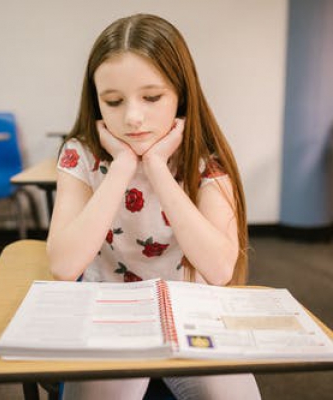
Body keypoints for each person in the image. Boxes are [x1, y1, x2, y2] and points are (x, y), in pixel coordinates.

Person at [47, 13, 261, 400]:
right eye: (113, 101)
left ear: (181, 94)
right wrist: (123, 166)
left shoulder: (205, 158)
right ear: (96, 101)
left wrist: (158, 167)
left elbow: (219, 268)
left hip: (192, 313)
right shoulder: (80, 154)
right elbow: (64, 265)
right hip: (112, 312)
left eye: (152, 97)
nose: (132, 117)